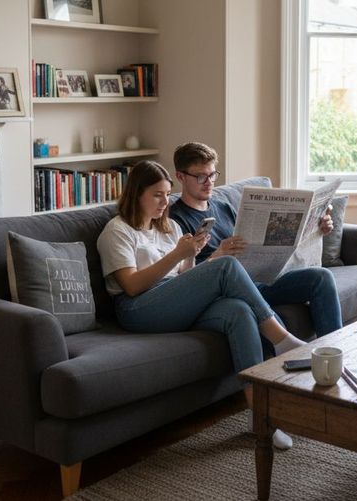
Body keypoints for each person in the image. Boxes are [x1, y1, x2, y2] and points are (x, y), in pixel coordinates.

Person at [97, 160, 303, 450]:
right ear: (136, 193)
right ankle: (281, 339)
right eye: (157, 194)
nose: (163, 202)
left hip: (172, 299)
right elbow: (131, 285)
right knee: (227, 266)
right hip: (137, 308)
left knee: (239, 311)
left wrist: (192, 254)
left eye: (167, 194)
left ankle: (260, 418)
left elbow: (185, 277)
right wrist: (176, 256)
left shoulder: (169, 227)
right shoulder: (117, 231)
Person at [167, 142, 343, 340]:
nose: (209, 182)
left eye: (213, 175)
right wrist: (217, 256)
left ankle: (334, 355)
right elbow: (183, 279)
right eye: (201, 176)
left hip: (258, 279)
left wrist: (315, 228)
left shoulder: (223, 207)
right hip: (226, 291)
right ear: (180, 177)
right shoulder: (174, 219)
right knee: (271, 319)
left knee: (321, 278)